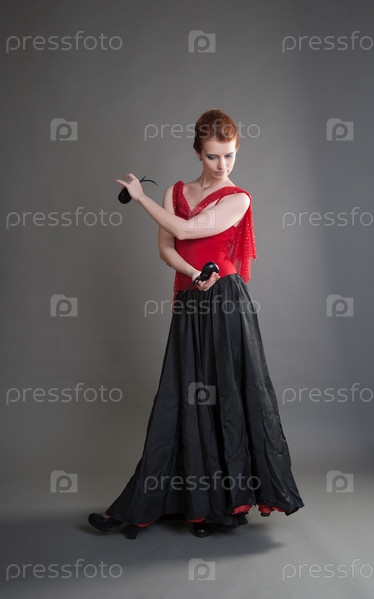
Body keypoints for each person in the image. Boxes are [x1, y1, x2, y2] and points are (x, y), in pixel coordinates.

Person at [88, 109, 304, 539]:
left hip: (225, 304)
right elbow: (167, 248)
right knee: (184, 399)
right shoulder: (175, 192)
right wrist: (192, 274)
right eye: (213, 156)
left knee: (223, 396)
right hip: (192, 300)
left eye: (229, 155)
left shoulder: (238, 198)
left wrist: (141, 199)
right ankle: (183, 505)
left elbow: (187, 230)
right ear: (197, 152)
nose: (222, 165)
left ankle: (218, 509)